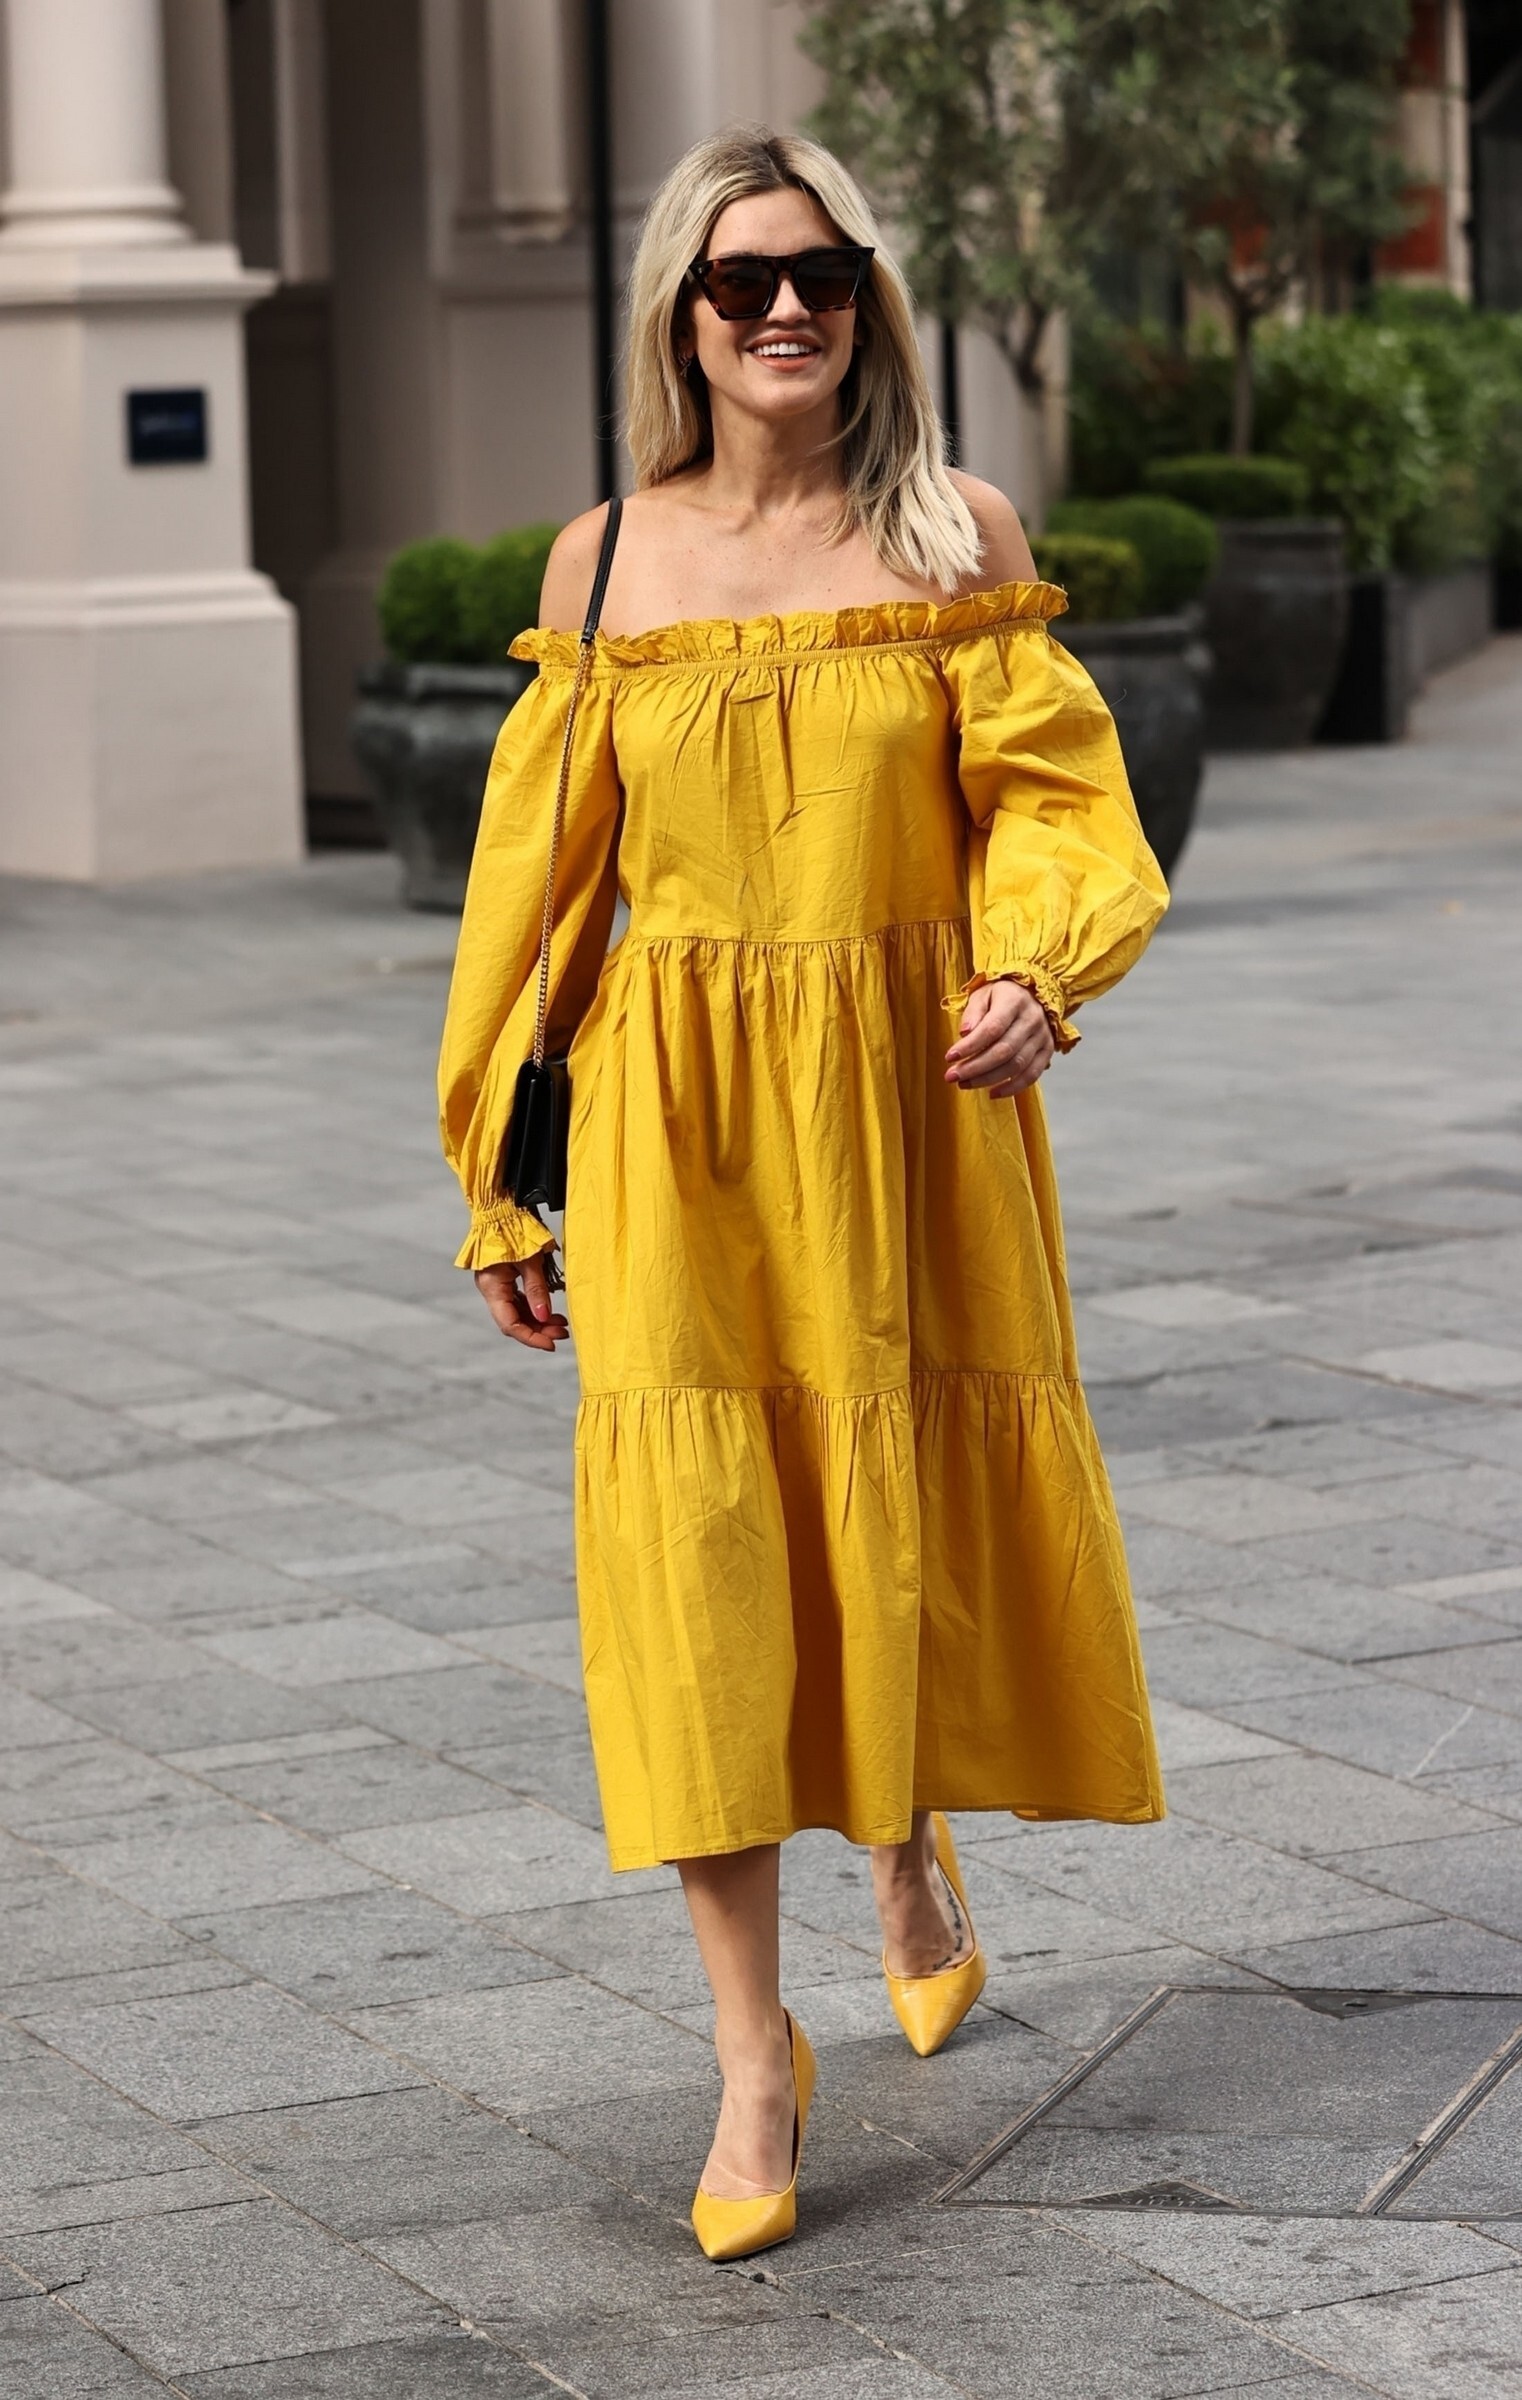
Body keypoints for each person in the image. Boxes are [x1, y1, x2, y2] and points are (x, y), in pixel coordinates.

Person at [438, 124, 1167, 2263]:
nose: (784, 312)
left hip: (905, 1104)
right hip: (675, 1129)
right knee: (702, 1554)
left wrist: (1038, 969)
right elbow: (535, 897)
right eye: (740, 281)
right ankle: (754, 2053)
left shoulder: (950, 535)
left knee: (889, 1495)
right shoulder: (599, 567)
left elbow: (1053, 802)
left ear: (868, 304)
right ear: (678, 314)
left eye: (821, 277)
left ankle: (901, 1833)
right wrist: (500, 1181)